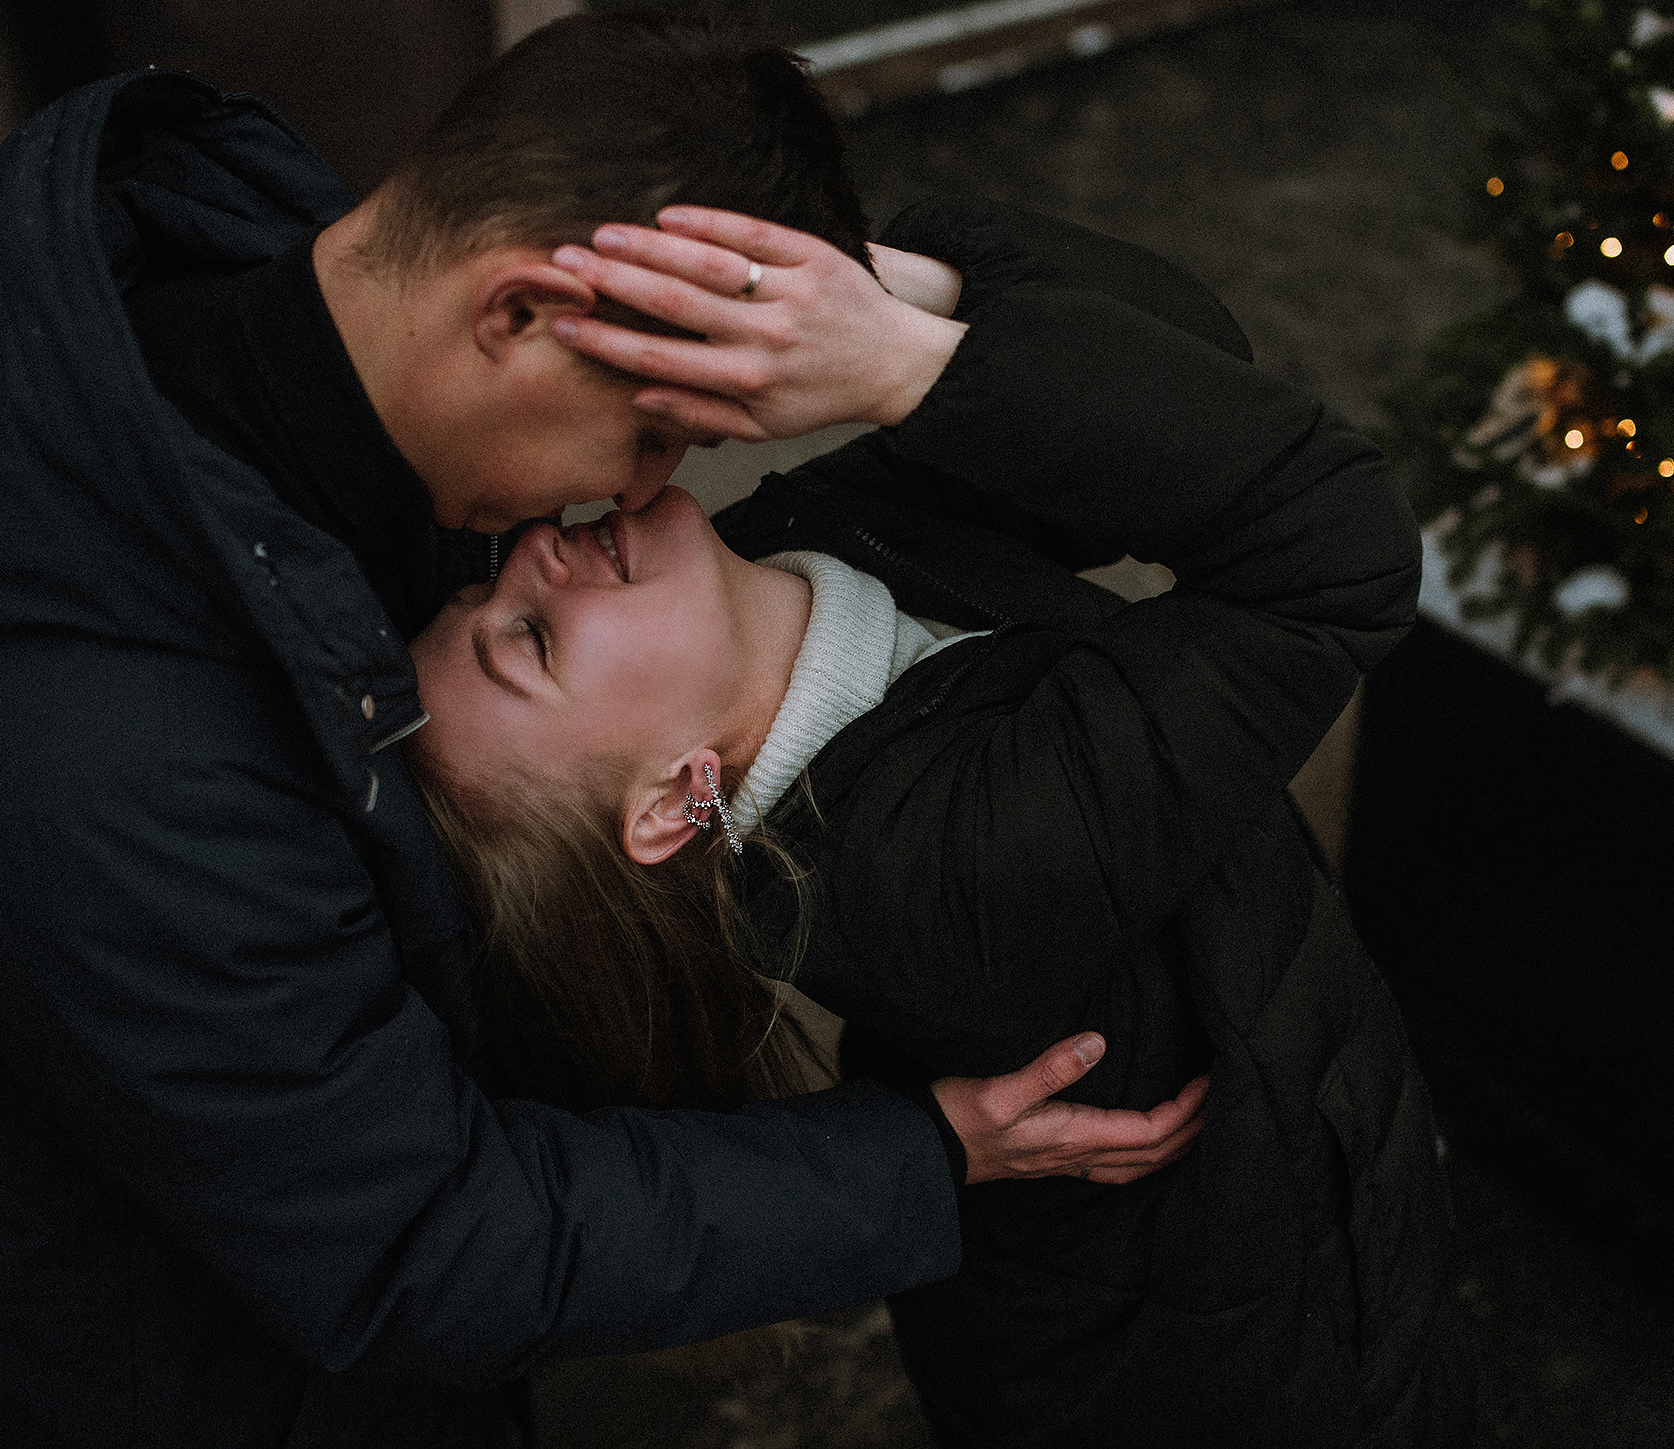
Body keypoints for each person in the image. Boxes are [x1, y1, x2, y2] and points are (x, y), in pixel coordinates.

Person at [0, 14, 1205, 1448]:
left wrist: (869, 305)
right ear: (517, 314)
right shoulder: (101, 769)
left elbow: (1203, 356)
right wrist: (920, 1151)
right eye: (648, 432)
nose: (647, 495)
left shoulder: (312, 357)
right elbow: (415, 1244)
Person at [407, 195, 1473, 1446]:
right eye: (529, 642)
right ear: (667, 802)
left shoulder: (789, 555)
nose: (533, 555)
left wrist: (868, 298)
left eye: (491, 585)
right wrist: (904, 370)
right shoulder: (932, 881)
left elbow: (1182, 352)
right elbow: (1333, 555)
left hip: (1310, 1108)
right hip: (1234, 1339)